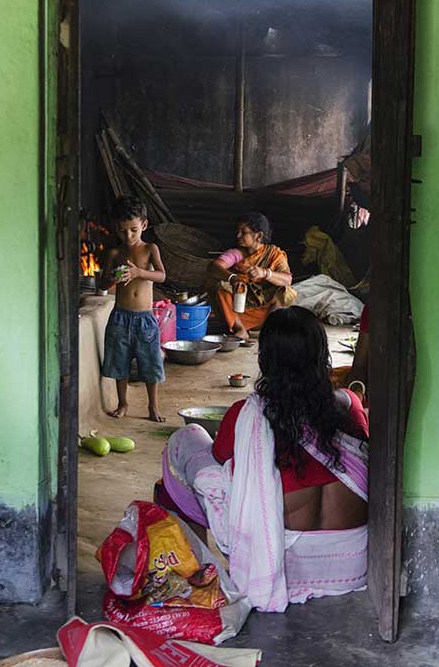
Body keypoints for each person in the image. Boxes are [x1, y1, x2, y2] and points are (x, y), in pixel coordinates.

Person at [158, 306, 369, 611]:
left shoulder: (248, 415)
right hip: (352, 565)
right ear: (322, 355)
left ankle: (195, 575)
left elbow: (219, 458)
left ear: (265, 359)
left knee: (188, 441)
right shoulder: (350, 405)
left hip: (279, 567)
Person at [99, 196, 167, 422]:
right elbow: (102, 285)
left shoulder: (150, 249)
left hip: (145, 319)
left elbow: (161, 275)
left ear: (144, 225)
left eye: (133, 230)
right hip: (120, 317)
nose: (128, 236)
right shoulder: (114, 254)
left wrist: (139, 272)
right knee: (120, 362)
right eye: (122, 231)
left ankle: (153, 406)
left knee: (150, 363)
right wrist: (113, 278)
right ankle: (123, 403)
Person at [207, 212, 297, 340]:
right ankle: (240, 329)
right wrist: (233, 278)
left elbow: (287, 280)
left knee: (284, 291)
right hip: (237, 314)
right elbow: (213, 267)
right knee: (218, 286)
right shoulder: (236, 254)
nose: (238, 235)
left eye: (243, 232)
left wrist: (265, 273)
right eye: (238, 231)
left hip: (266, 314)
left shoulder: (274, 254)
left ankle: (269, 330)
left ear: (258, 236)